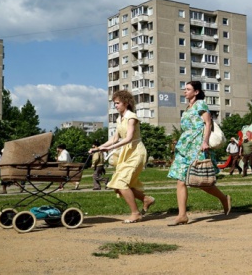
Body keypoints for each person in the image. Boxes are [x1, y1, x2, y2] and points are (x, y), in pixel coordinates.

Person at [168, 81, 231, 226]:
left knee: (202, 182)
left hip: (198, 146)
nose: (185, 91)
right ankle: (182, 215)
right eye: (185, 89)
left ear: (196, 92)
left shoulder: (201, 104)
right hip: (185, 146)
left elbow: (208, 124)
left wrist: (205, 142)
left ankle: (223, 198)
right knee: (180, 180)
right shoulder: (187, 108)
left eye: (188, 89)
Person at [94, 90, 155, 223]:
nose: (115, 106)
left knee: (121, 182)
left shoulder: (131, 117)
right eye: (114, 103)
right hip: (127, 153)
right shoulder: (119, 118)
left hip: (136, 152)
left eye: (117, 103)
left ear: (125, 103)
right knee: (119, 185)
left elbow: (128, 138)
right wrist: (98, 148)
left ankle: (136, 213)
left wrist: (109, 148)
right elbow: (115, 138)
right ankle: (146, 199)